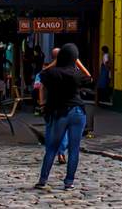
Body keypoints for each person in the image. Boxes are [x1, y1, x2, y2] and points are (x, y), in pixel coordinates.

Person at [35, 44, 90, 191]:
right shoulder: (76, 74)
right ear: (74, 58)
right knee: (74, 149)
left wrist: (55, 61)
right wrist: (77, 62)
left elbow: (42, 74)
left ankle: (43, 179)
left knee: (52, 147)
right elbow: (89, 76)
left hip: (59, 113)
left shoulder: (53, 73)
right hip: (78, 112)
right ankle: (69, 182)